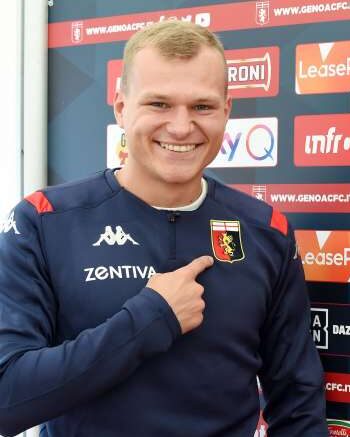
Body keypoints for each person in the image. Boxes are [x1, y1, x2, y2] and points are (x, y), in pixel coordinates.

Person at [0, 21, 327, 436]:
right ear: (121, 108)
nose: (181, 126)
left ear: (227, 111)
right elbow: (6, 398)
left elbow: (299, 405)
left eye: (202, 107)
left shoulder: (266, 231)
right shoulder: (44, 221)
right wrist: (150, 320)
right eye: (159, 104)